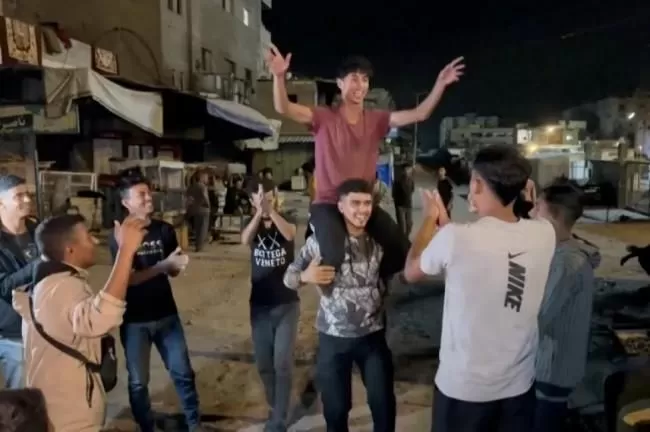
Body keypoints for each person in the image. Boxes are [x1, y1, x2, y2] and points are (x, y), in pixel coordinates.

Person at [266, 44, 464, 279]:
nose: (360, 85)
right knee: (333, 255)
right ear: (340, 83)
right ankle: (311, 271)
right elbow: (283, 107)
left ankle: (383, 289)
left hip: (363, 205)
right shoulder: (323, 117)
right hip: (328, 204)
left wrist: (440, 84)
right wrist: (279, 77)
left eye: (364, 79)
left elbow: (420, 113)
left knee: (401, 251)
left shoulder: (376, 120)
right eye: (354, 78)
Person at [402, 144, 556, 432]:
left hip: (465, 391)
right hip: (518, 387)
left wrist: (429, 219)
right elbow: (480, 256)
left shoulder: (457, 238)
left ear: (476, 184)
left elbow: (411, 271)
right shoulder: (544, 233)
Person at [12, 214, 147, 431]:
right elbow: (101, 317)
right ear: (70, 249)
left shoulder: (51, 283)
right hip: (68, 415)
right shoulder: (60, 287)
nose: (95, 241)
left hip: (59, 407)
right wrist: (125, 252)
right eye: (88, 237)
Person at [284, 179, 395, 432]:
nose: (362, 210)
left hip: (372, 337)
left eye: (367, 203)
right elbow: (288, 277)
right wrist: (305, 276)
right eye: (355, 203)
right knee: (335, 410)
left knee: (384, 405)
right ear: (341, 206)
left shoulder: (379, 240)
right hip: (334, 340)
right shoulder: (323, 241)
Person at [110, 176, 204, 432]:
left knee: (183, 373)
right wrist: (163, 266)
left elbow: (173, 271)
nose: (148, 197)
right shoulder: (120, 235)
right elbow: (127, 279)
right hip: (134, 321)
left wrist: (177, 265)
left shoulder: (164, 230)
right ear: (126, 202)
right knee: (138, 382)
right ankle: (146, 427)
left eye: (148, 192)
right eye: (141, 194)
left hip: (166, 314)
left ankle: (194, 424)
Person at [531, 181, 601, 432]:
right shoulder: (564, 253)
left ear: (555, 215)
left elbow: (539, 318)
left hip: (552, 368)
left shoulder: (566, 263)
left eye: (538, 206)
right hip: (554, 365)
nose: (532, 212)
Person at [241, 178, 298, 432]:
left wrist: (271, 211)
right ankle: (275, 406)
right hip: (260, 307)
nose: (266, 201)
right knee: (264, 364)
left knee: (282, 363)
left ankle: (279, 419)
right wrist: (258, 214)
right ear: (252, 200)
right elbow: (245, 240)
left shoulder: (286, 218)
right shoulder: (250, 223)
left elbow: (290, 234)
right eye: (261, 198)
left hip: (287, 303)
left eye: (270, 197)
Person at [0, 175, 41, 389]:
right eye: (19, 196)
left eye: (28, 194)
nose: (27, 200)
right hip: (11, 333)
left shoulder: (40, 233)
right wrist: (40, 263)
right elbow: (4, 287)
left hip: (37, 328)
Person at [186, 170, 211, 252]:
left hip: (195, 210)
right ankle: (200, 246)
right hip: (204, 209)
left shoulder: (191, 187)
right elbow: (205, 197)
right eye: (206, 177)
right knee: (203, 228)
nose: (207, 179)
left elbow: (189, 199)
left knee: (197, 228)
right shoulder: (203, 187)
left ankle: (197, 245)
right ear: (201, 178)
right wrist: (208, 205)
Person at [392, 165, 414, 236]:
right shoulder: (398, 181)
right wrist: (397, 205)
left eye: (409, 169)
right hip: (400, 206)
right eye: (406, 170)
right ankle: (402, 239)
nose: (407, 171)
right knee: (402, 227)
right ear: (403, 171)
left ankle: (406, 237)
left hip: (408, 205)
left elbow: (412, 190)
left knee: (409, 224)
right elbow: (394, 193)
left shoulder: (411, 180)